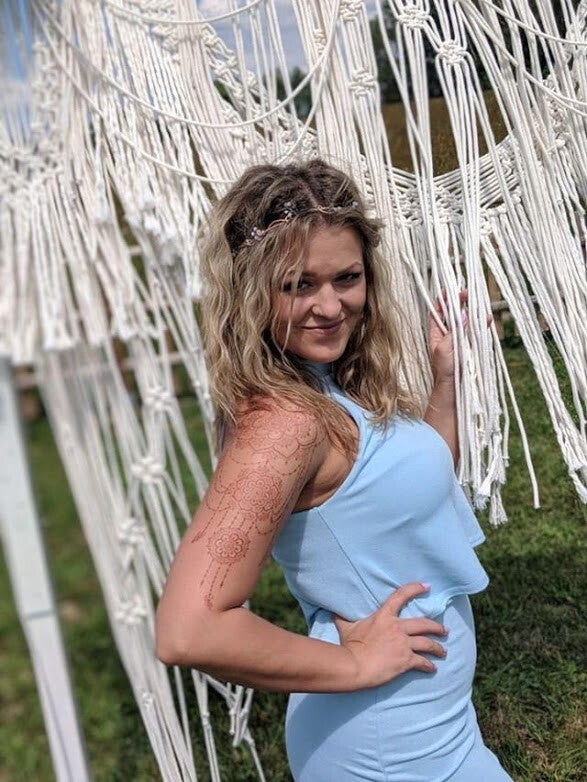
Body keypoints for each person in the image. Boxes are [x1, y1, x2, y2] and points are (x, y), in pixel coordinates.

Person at [155, 159, 512, 781]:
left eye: (347, 278)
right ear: (251, 288)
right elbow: (188, 629)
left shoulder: (327, 388)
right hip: (388, 747)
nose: (329, 306)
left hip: (432, 727)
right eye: (298, 285)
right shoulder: (285, 423)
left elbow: (399, 498)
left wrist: (445, 380)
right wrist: (354, 665)